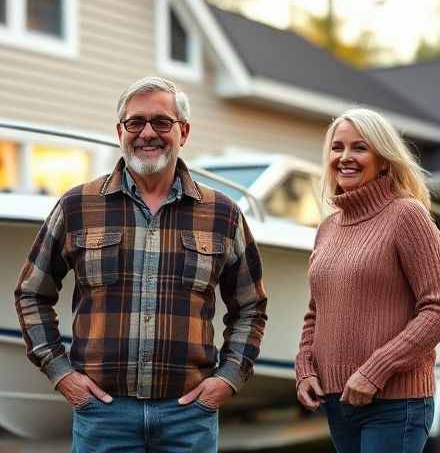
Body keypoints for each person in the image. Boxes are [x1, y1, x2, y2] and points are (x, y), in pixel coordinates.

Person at [14, 76, 268, 452]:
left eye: (161, 122)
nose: (147, 133)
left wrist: (227, 379)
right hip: (103, 416)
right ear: (120, 131)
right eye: (136, 122)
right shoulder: (77, 206)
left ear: (183, 131)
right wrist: (61, 373)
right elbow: (31, 293)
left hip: (189, 418)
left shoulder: (223, 214)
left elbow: (251, 306)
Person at [295, 108, 440, 453]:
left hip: (394, 404)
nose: (345, 157)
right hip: (338, 401)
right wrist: (305, 368)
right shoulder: (328, 228)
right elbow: (316, 312)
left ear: (384, 160)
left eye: (359, 148)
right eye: (337, 148)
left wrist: (374, 372)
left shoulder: (406, 214)